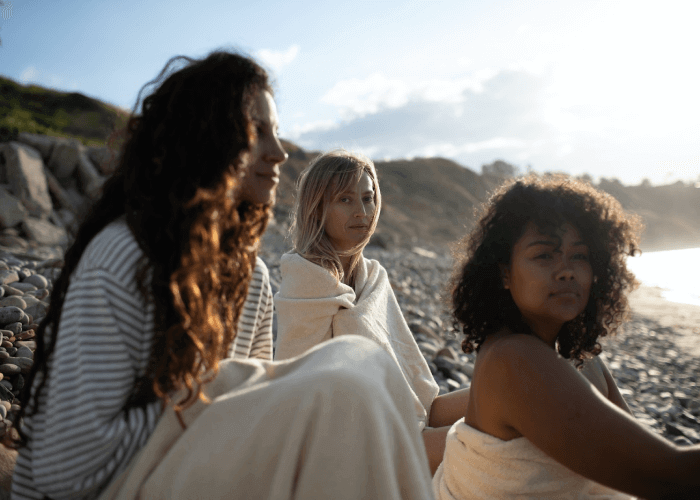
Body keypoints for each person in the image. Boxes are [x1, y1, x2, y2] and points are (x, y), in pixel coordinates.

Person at [9, 51, 434, 500]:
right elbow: (64, 467)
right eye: (257, 132)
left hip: (194, 466)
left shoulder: (253, 279)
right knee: (341, 390)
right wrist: (219, 397)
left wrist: (237, 404)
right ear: (205, 137)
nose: (279, 151)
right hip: (113, 485)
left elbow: (257, 406)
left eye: (276, 131)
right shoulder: (126, 258)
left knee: (366, 372)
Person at [434, 174, 700, 499]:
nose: (566, 270)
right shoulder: (515, 360)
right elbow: (669, 478)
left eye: (579, 256)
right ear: (504, 273)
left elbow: (652, 467)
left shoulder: (583, 364)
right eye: (545, 255)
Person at [275, 149, 470, 474]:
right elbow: (300, 399)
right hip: (355, 448)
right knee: (491, 442)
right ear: (318, 206)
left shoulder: (372, 275)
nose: (362, 211)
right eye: (346, 200)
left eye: (368, 198)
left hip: (407, 420)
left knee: (514, 395)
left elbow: (420, 397)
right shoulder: (306, 280)